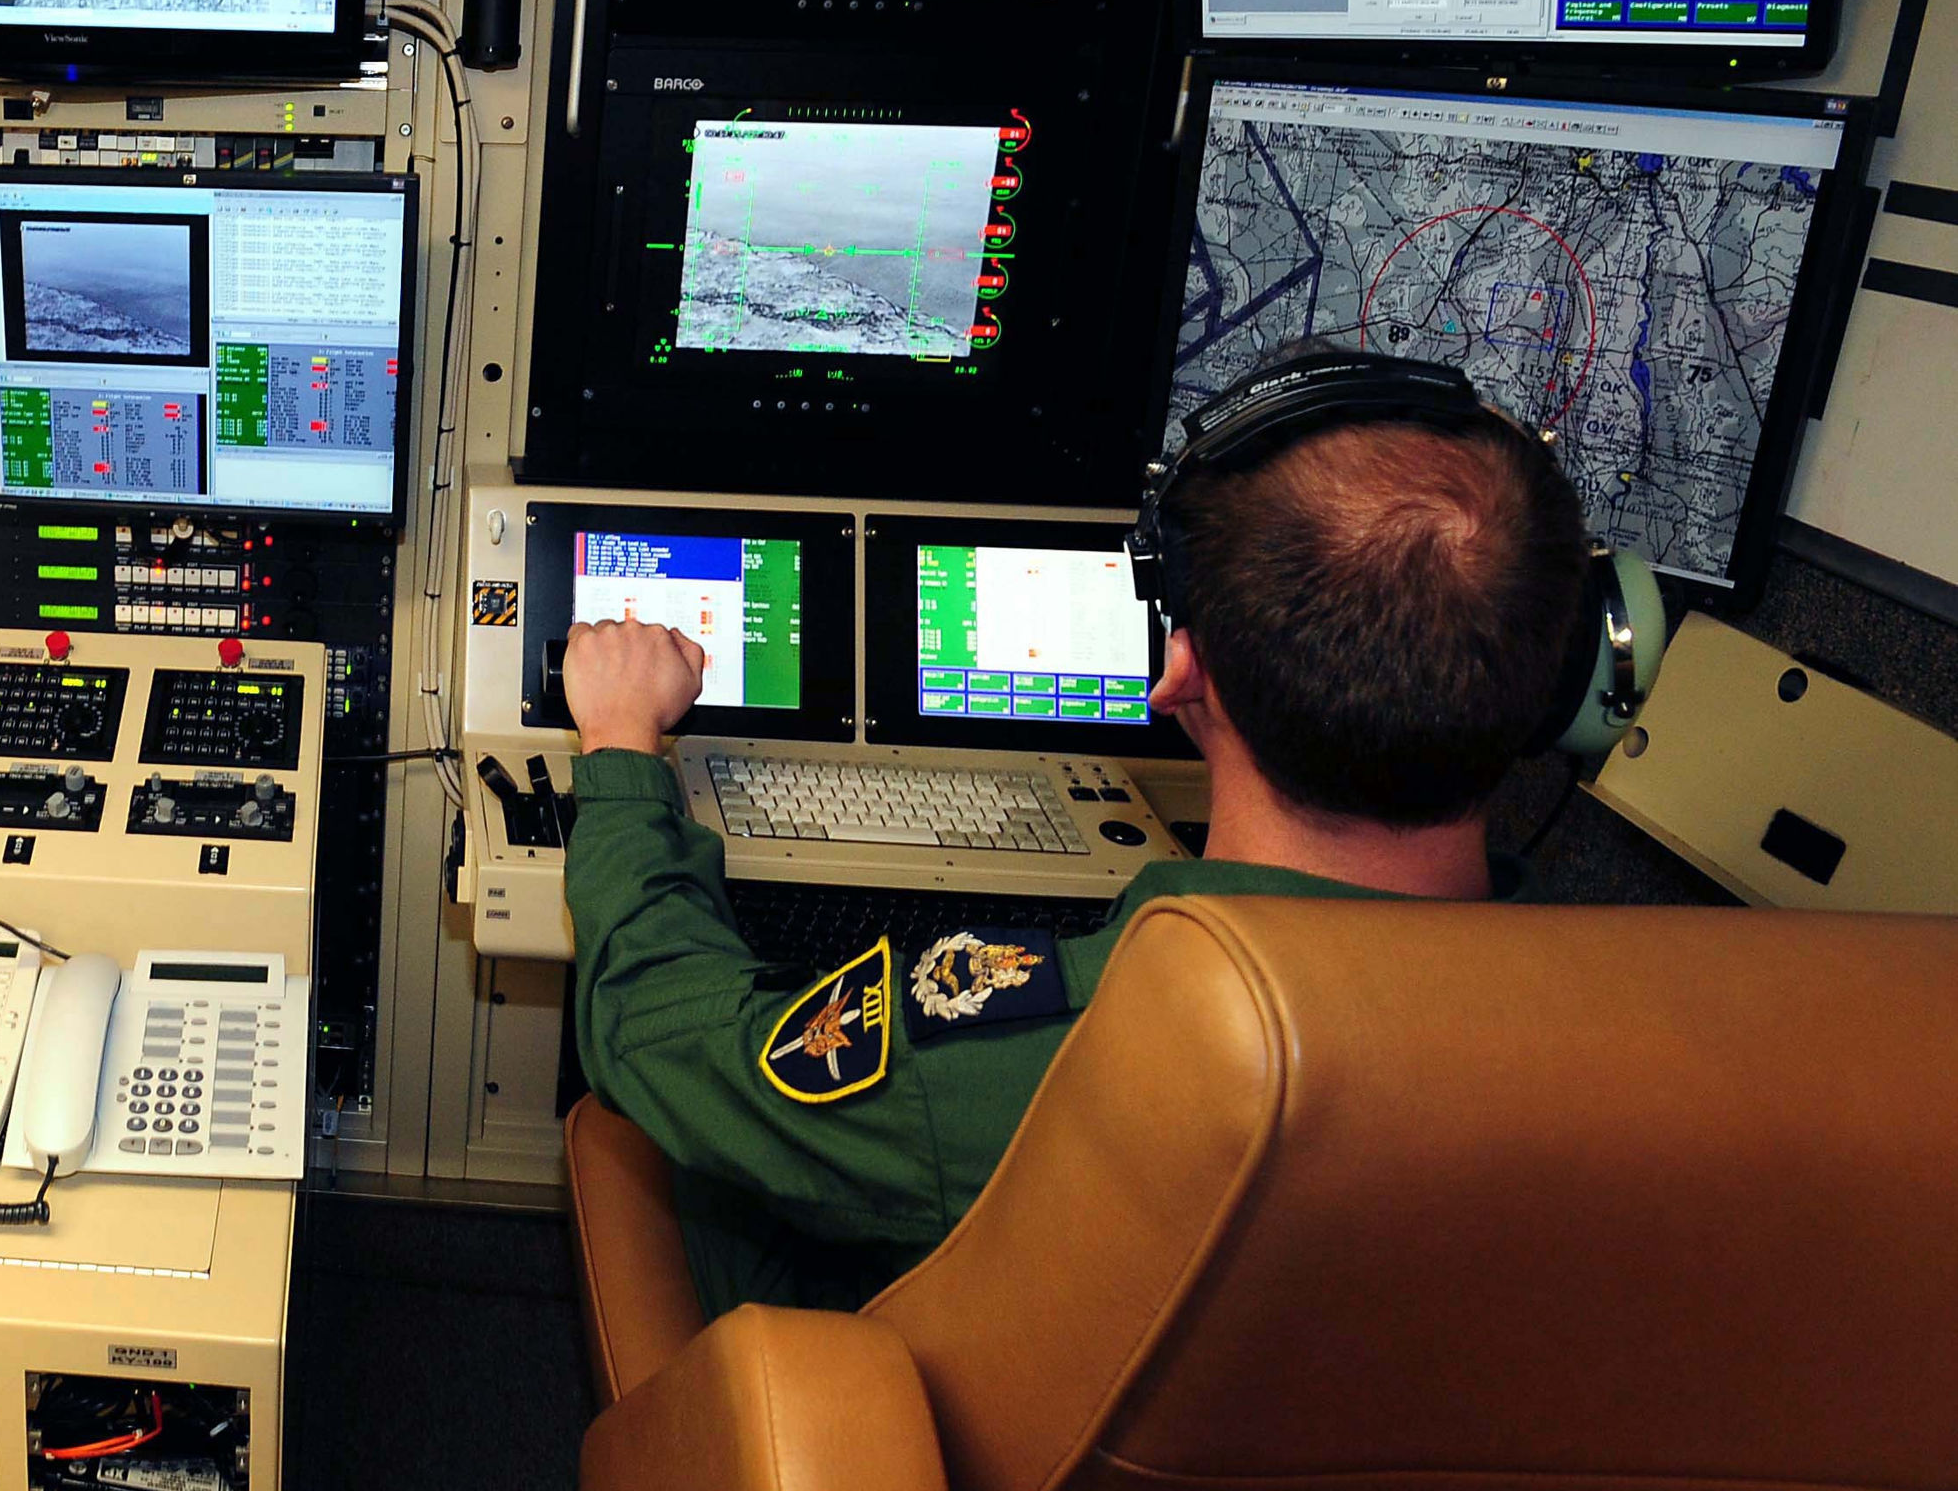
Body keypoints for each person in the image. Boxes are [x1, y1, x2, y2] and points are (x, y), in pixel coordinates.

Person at [560, 353, 1594, 1318]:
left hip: (998, 1476)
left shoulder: (1048, 1052)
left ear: (1178, 674)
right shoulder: (1633, 1045)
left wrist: (618, 744)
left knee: (669, 1153)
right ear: (1563, 687)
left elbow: (658, 1037)